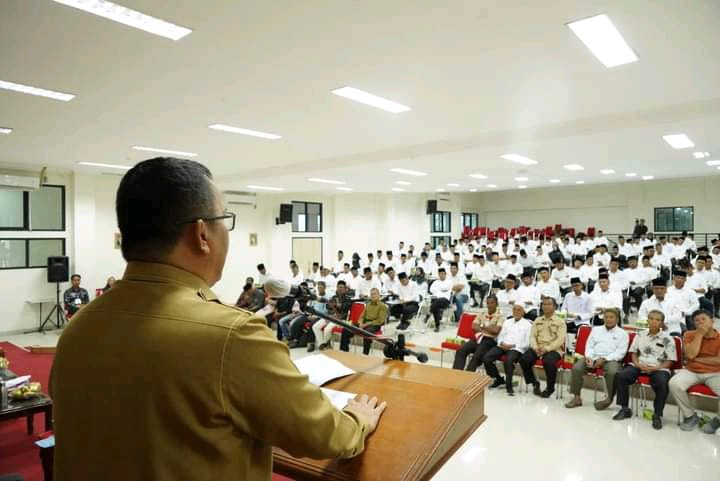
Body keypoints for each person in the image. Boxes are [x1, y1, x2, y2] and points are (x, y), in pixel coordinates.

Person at [50, 157, 386, 481]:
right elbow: (326, 437)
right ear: (201, 235)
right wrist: (356, 420)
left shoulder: (81, 325)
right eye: (224, 219)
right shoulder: (230, 335)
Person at [613, 309, 676, 430]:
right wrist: (637, 364)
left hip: (658, 367)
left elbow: (670, 360)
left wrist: (656, 368)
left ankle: (657, 415)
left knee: (662, 383)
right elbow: (633, 353)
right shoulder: (640, 335)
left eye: (657, 320)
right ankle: (624, 409)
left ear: (662, 323)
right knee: (622, 376)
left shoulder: (668, 339)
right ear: (647, 320)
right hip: (640, 364)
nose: (653, 322)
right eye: (651, 319)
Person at [565, 308, 629, 410]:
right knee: (577, 368)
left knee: (612, 372)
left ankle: (609, 399)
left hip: (611, 360)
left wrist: (604, 359)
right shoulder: (596, 330)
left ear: (617, 319)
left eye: (611, 317)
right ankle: (577, 398)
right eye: (606, 317)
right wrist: (589, 357)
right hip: (593, 356)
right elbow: (589, 345)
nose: (608, 319)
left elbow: (620, 352)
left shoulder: (623, 334)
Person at [669, 309, 720, 434]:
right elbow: (691, 355)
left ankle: (718, 420)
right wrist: (699, 335)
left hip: (714, 373)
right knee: (674, 383)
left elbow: (718, 361)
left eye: (703, 319)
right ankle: (690, 416)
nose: (700, 322)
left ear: (712, 321)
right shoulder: (689, 334)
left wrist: (698, 359)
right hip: (691, 371)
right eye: (697, 321)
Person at [519, 297, 566, 398]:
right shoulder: (537, 320)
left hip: (553, 349)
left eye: (549, 304)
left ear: (554, 307)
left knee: (548, 361)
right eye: (544, 304)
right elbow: (532, 336)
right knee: (524, 359)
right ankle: (534, 382)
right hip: (538, 347)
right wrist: (535, 347)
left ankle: (550, 387)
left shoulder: (560, 322)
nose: (546, 306)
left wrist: (547, 349)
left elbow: (560, 340)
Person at [483, 304, 532, 396]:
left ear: (523, 312)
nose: (516, 312)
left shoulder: (528, 325)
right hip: (503, 345)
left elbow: (527, 343)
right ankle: (498, 379)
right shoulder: (507, 321)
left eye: (519, 310)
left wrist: (513, 346)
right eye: (514, 309)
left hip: (517, 348)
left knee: (508, 361)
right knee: (487, 358)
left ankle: (509, 385)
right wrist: (502, 343)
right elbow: (500, 336)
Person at [452, 296, 503, 371]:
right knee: (460, 351)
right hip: (478, 337)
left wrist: (482, 326)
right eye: (488, 303)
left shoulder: (501, 316)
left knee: (477, 356)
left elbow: (496, 330)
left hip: (489, 340)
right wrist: (487, 328)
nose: (489, 305)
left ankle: (468, 375)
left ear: (497, 304)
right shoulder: (482, 312)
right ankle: (457, 373)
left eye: (492, 303)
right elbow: (474, 326)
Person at [340, 288, 388, 355]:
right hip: (364, 323)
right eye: (371, 294)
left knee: (366, 333)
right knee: (346, 329)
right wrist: (361, 323)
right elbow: (362, 316)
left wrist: (367, 324)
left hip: (375, 325)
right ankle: (344, 351)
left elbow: (380, 321)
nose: (373, 296)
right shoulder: (368, 305)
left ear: (379, 295)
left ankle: (365, 354)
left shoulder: (383, 306)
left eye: (374, 294)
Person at [312, 280, 353, 352]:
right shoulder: (333, 297)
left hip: (340, 319)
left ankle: (324, 345)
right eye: (338, 287)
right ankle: (323, 344)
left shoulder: (348, 299)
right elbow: (328, 307)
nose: (340, 289)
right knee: (315, 327)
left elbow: (345, 308)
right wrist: (330, 306)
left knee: (327, 329)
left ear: (345, 289)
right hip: (330, 317)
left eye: (341, 287)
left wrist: (336, 305)